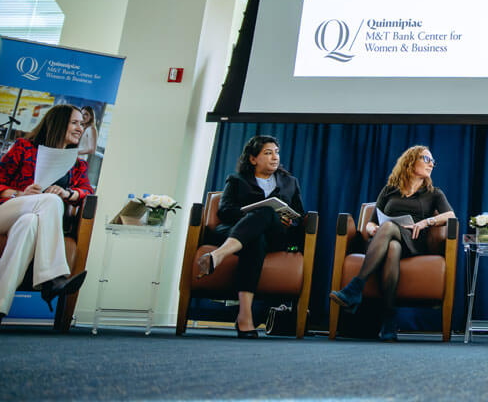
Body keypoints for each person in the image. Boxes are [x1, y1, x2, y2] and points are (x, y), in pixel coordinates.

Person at [0, 103, 92, 332]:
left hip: (28, 219)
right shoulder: (24, 148)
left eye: (82, 124)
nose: (80, 128)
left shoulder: (77, 163)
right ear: (58, 124)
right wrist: (20, 193)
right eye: (75, 123)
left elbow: (86, 191)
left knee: (29, 224)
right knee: (50, 201)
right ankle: (52, 279)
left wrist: (67, 192)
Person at [328, 145, 455, 340]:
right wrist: (372, 229)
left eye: (433, 162)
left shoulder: (434, 193)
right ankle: (389, 319)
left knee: (389, 231)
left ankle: (355, 288)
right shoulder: (389, 190)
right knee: (391, 245)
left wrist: (425, 222)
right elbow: (370, 223)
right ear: (411, 161)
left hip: (412, 243)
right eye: (426, 159)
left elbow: (450, 215)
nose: (431, 164)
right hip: (383, 242)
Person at [194, 135, 306, 338]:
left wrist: (290, 221)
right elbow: (225, 211)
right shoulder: (236, 180)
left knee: (266, 214)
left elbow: (300, 215)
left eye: (276, 152)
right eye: (268, 153)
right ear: (253, 159)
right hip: (237, 232)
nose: (274, 157)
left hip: (276, 235)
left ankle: (218, 256)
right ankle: (245, 317)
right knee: (255, 237)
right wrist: (251, 213)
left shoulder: (290, 182)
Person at [76, 105, 99, 185]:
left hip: (80, 162)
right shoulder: (81, 127)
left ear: (91, 116)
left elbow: (92, 149)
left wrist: (75, 152)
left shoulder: (91, 129)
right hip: (74, 159)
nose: (83, 116)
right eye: (82, 114)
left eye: (86, 114)